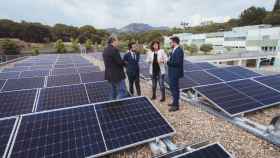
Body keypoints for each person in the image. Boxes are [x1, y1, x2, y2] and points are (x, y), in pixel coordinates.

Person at [167, 36, 184, 112]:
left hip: (175, 73)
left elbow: (177, 63)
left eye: (170, 42)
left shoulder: (179, 50)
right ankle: (174, 102)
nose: (170, 43)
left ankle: (176, 106)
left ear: (174, 42)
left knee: (175, 89)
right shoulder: (174, 50)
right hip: (172, 72)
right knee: (173, 88)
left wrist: (167, 62)